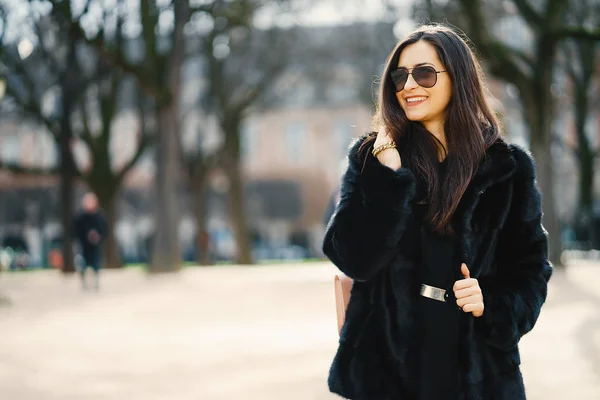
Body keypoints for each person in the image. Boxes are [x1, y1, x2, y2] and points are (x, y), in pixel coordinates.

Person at [323, 24, 552, 400]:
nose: (409, 85)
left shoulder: (507, 168)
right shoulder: (372, 157)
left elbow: (531, 269)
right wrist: (390, 179)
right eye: (400, 76)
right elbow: (351, 258)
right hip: (389, 366)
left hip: (478, 369)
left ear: (457, 78)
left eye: (424, 73)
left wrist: (492, 303)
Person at [74, 192, 106, 290]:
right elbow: (75, 231)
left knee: (96, 264)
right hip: (83, 246)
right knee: (81, 265)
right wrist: (85, 236)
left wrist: (97, 237)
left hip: (95, 246)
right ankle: (84, 283)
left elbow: (104, 230)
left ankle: (96, 282)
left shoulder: (99, 217)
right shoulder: (80, 217)